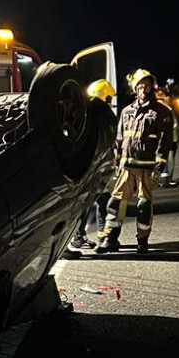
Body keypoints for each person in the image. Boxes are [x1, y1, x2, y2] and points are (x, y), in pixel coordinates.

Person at [95, 69, 174, 254]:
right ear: (134, 87)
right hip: (126, 168)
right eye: (140, 84)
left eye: (146, 84)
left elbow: (165, 142)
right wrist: (116, 162)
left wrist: (159, 168)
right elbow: (119, 139)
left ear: (151, 87)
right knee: (115, 203)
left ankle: (142, 241)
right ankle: (110, 239)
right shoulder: (126, 111)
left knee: (143, 205)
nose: (143, 88)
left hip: (146, 168)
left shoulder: (162, 111)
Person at [65, 79, 117, 257]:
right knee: (102, 201)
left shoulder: (81, 111)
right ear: (106, 96)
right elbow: (108, 142)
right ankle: (104, 237)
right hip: (96, 167)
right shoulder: (106, 115)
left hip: (81, 167)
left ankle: (78, 237)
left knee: (81, 205)